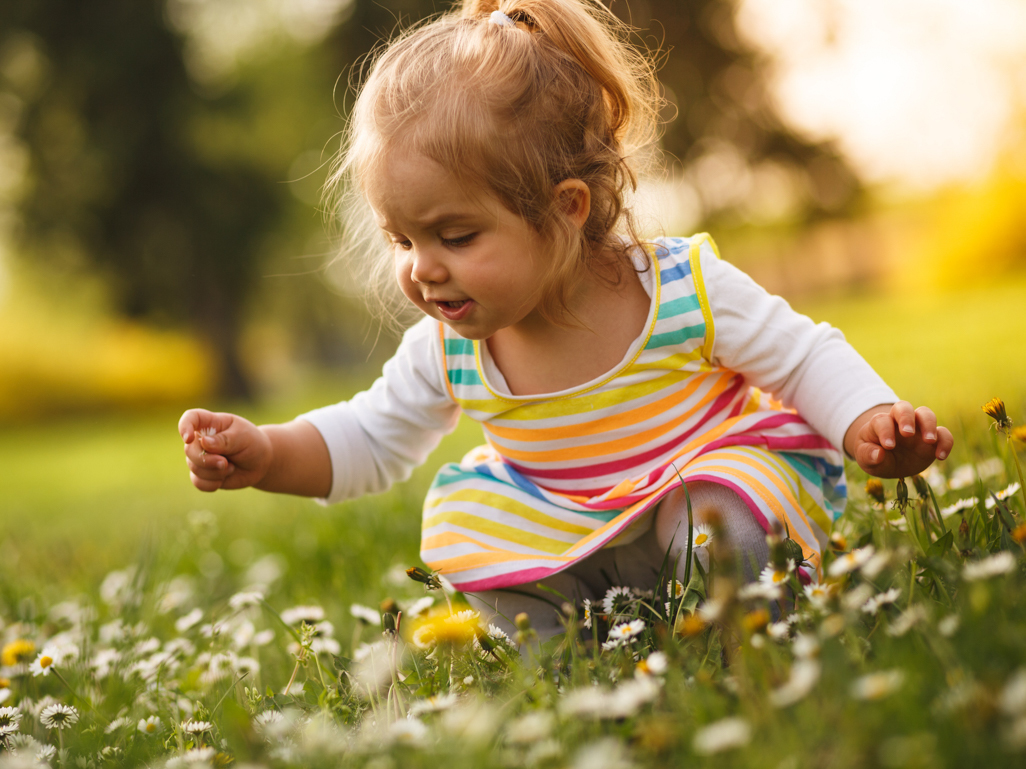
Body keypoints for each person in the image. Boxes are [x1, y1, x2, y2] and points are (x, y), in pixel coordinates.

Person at [178, 0, 953, 642]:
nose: (422, 267)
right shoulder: (449, 347)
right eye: (401, 240)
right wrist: (267, 453)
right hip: (578, 538)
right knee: (479, 529)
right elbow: (371, 437)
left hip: (704, 491)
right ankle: (566, 655)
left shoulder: (679, 291)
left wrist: (868, 420)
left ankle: (748, 623)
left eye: (456, 235)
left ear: (565, 209)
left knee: (712, 520)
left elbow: (802, 357)